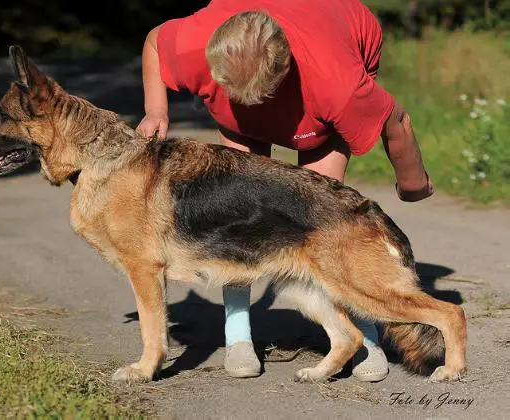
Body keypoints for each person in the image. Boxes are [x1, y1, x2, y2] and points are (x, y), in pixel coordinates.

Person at [136, 0, 434, 382]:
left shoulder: (338, 83)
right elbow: (155, 41)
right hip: (248, 96)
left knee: (324, 225)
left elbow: (398, 122)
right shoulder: (197, 41)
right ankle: (238, 332)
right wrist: (156, 108)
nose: (248, 103)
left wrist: (412, 184)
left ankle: (364, 336)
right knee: (237, 216)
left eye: (256, 97)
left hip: (319, 94)